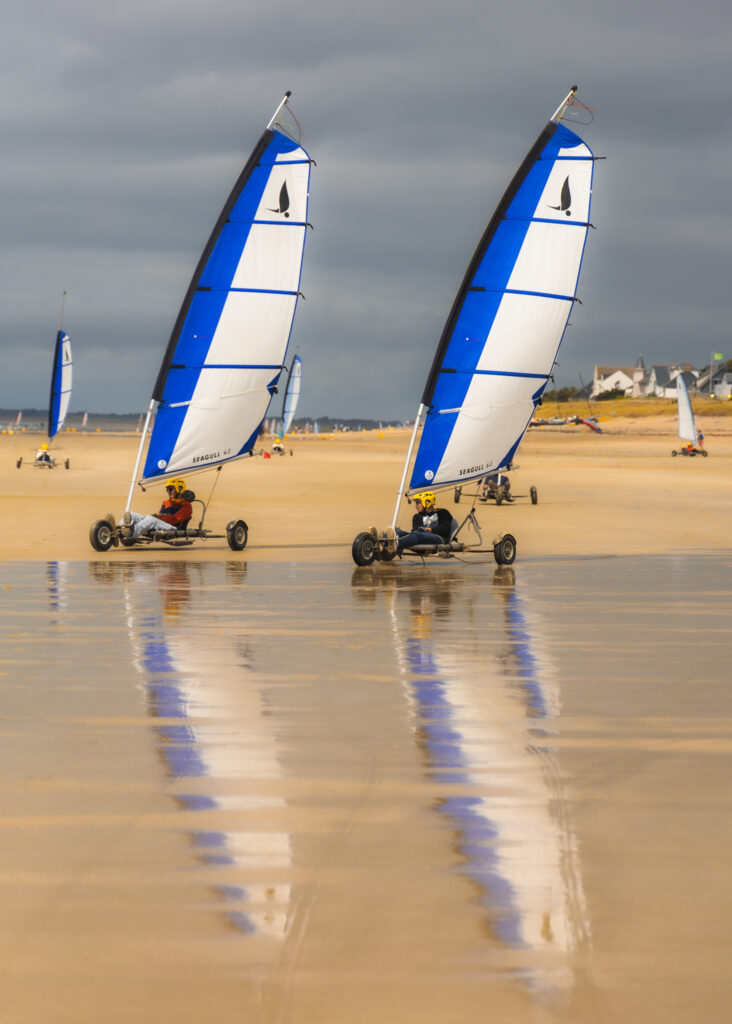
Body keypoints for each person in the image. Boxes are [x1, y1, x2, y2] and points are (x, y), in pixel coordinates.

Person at [385, 491, 453, 555]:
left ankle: (395, 545)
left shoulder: (442, 512)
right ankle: (383, 543)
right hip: (420, 538)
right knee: (397, 531)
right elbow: (414, 532)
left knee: (417, 535)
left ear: (427, 502)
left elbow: (446, 529)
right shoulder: (417, 516)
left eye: (418, 503)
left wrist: (428, 529)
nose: (415, 506)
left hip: (438, 539)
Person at [121, 478, 193, 538]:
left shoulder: (186, 505)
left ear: (180, 489)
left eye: (170, 489)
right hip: (162, 524)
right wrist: (157, 516)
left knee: (151, 519)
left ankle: (133, 532)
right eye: (167, 489)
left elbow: (174, 520)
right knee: (132, 515)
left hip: (174, 528)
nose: (168, 492)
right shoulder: (167, 502)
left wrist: (157, 517)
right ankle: (120, 529)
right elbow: (160, 515)